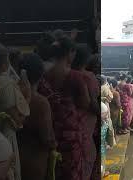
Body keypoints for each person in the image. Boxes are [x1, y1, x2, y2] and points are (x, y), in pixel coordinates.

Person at [37, 37, 91, 180]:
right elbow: (85, 103)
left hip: (50, 126)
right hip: (71, 130)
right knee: (72, 169)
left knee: (54, 168)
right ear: (70, 53)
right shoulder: (76, 76)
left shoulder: (44, 73)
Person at [0, 42, 30, 180]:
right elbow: (18, 119)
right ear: (4, 64)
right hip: (4, 139)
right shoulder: (5, 84)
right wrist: (28, 95)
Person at [17, 53, 57, 180]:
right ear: (41, 75)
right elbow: (46, 138)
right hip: (34, 162)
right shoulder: (40, 102)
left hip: (14, 157)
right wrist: (55, 144)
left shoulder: (10, 95)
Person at [71, 45, 99, 179]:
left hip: (68, 123)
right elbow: (92, 103)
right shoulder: (88, 77)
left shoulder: (66, 74)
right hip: (86, 126)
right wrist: (101, 113)